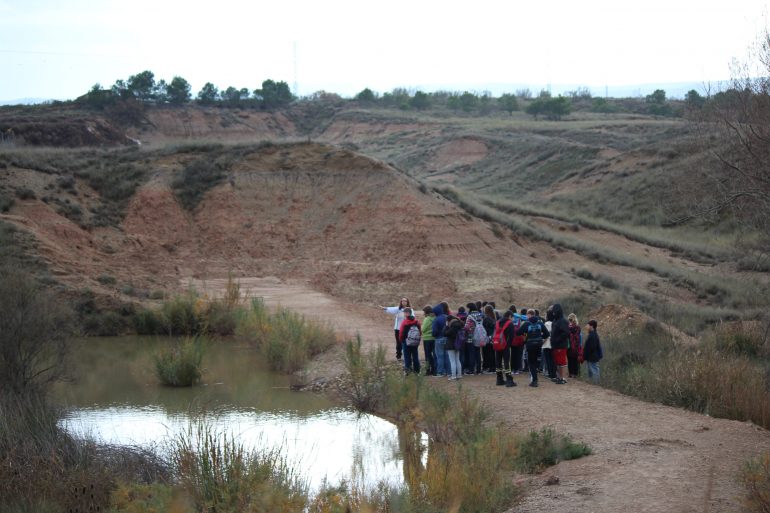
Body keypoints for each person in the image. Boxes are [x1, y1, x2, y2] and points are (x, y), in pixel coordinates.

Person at [517, 309, 549, 387]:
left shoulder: (526, 323)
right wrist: (541, 338)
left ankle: (534, 380)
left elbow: (518, 333)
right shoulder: (540, 323)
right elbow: (547, 334)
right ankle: (535, 377)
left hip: (530, 345)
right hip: (538, 344)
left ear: (529, 315)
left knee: (531, 362)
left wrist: (524, 336)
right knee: (535, 361)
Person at [492, 309, 517, 387]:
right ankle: (509, 380)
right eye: (512, 317)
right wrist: (508, 345)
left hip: (497, 344)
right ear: (510, 316)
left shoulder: (497, 322)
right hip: (505, 346)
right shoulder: (510, 324)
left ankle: (499, 379)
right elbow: (512, 336)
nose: (512, 319)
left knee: (498, 362)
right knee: (507, 362)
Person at [549, 304, 570, 384]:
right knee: (557, 362)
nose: (553, 312)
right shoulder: (555, 320)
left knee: (562, 362)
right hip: (555, 345)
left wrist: (557, 340)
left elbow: (566, 333)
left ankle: (563, 378)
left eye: (554, 310)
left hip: (561, 345)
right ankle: (559, 377)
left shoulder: (563, 321)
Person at [398, 308, 421, 376]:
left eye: (405, 313)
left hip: (406, 342)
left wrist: (401, 340)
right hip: (415, 342)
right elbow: (420, 331)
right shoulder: (417, 321)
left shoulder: (405, 322)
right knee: (415, 356)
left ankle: (408, 372)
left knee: (407, 357)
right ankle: (417, 372)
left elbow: (401, 333)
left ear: (407, 313)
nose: (404, 314)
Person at [464, 303, 484, 375]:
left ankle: (471, 370)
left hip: (470, 337)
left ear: (470, 308)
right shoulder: (480, 315)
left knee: (471, 353)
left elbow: (467, 327)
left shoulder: (469, 316)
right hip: (479, 337)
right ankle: (479, 370)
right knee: (478, 353)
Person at [444, 314, 464, 381]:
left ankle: (453, 376)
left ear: (449, 321)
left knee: (452, 361)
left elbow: (445, 333)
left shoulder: (452, 326)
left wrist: (446, 326)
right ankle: (459, 375)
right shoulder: (459, 324)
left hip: (451, 344)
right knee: (457, 360)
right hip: (458, 344)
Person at [431, 302, 449, 377]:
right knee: (447, 356)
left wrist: (434, 334)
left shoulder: (436, 319)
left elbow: (434, 332)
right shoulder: (447, 317)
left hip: (439, 339)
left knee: (440, 356)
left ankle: (440, 372)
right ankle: (448, 371)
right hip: (447, 338)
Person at [482, 305, 497, 374]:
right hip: (493, 337)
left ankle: (490, 368)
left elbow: (484, 329)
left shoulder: (486, 318)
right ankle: (493, 367)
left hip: (487, 337)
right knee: (492, 353)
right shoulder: (493, 318)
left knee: (487, 353)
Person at [421, 305, 436, 376]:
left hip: (427, 339)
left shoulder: (427, 319)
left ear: (426, 312)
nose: (423, 313)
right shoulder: (435, 318)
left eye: (424, 312)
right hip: (434, 338)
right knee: (434, 354)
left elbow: (423, 329)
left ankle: (428, 370)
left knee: (427, 355)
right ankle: (434, 369)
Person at [567, 313, 583, 378]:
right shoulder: (578, 327)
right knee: (575, 360)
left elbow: (567, 336)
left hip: (569, 346)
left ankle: (570, 373)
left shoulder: (568, 327)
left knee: (570, 360)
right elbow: (579, 337)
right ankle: (576, 374)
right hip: (576, 346)